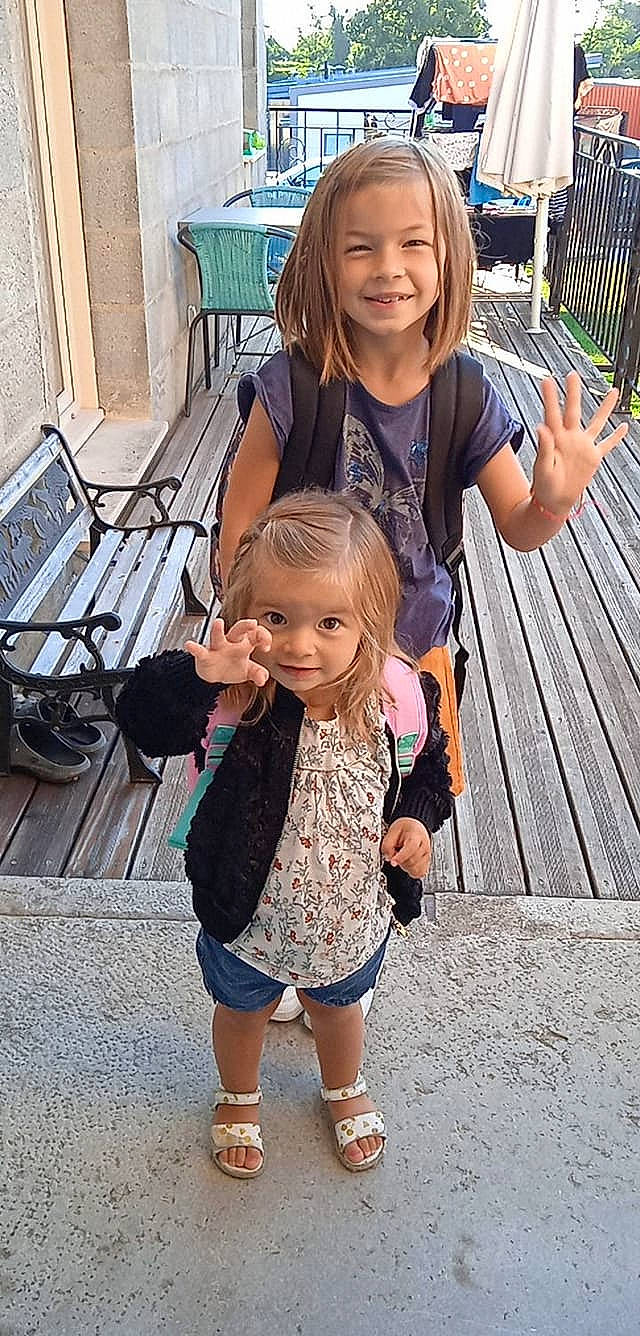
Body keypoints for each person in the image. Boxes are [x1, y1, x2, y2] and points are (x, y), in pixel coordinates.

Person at [217, 136, 628, 1021]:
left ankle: (335, 954)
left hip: (408, 669)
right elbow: (236, 543)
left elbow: (520, 528)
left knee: (384, 819)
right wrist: (262, 639)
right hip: (303, 666)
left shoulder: (467, 394)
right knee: (277, 815)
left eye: (414, 244)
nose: (388, 269)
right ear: (323, 260)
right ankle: (272, 950)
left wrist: (554, 498)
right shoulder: (293, 388)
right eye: (360, 245)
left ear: (449, 255)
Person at [116, 492, 453, 1179]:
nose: (300, 644)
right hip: (247, 915)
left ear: (371, 621)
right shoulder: (236, 697)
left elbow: (428, 770)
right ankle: (238, 1097)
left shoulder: (395, 697)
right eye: (275, 617)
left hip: (352, 918)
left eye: (331, 621)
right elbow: (146, 723)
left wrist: (416, 819)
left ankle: (342, 1086)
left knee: (339, 1009)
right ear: (244, 615)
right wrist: (200, 677)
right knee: (243, 1010)